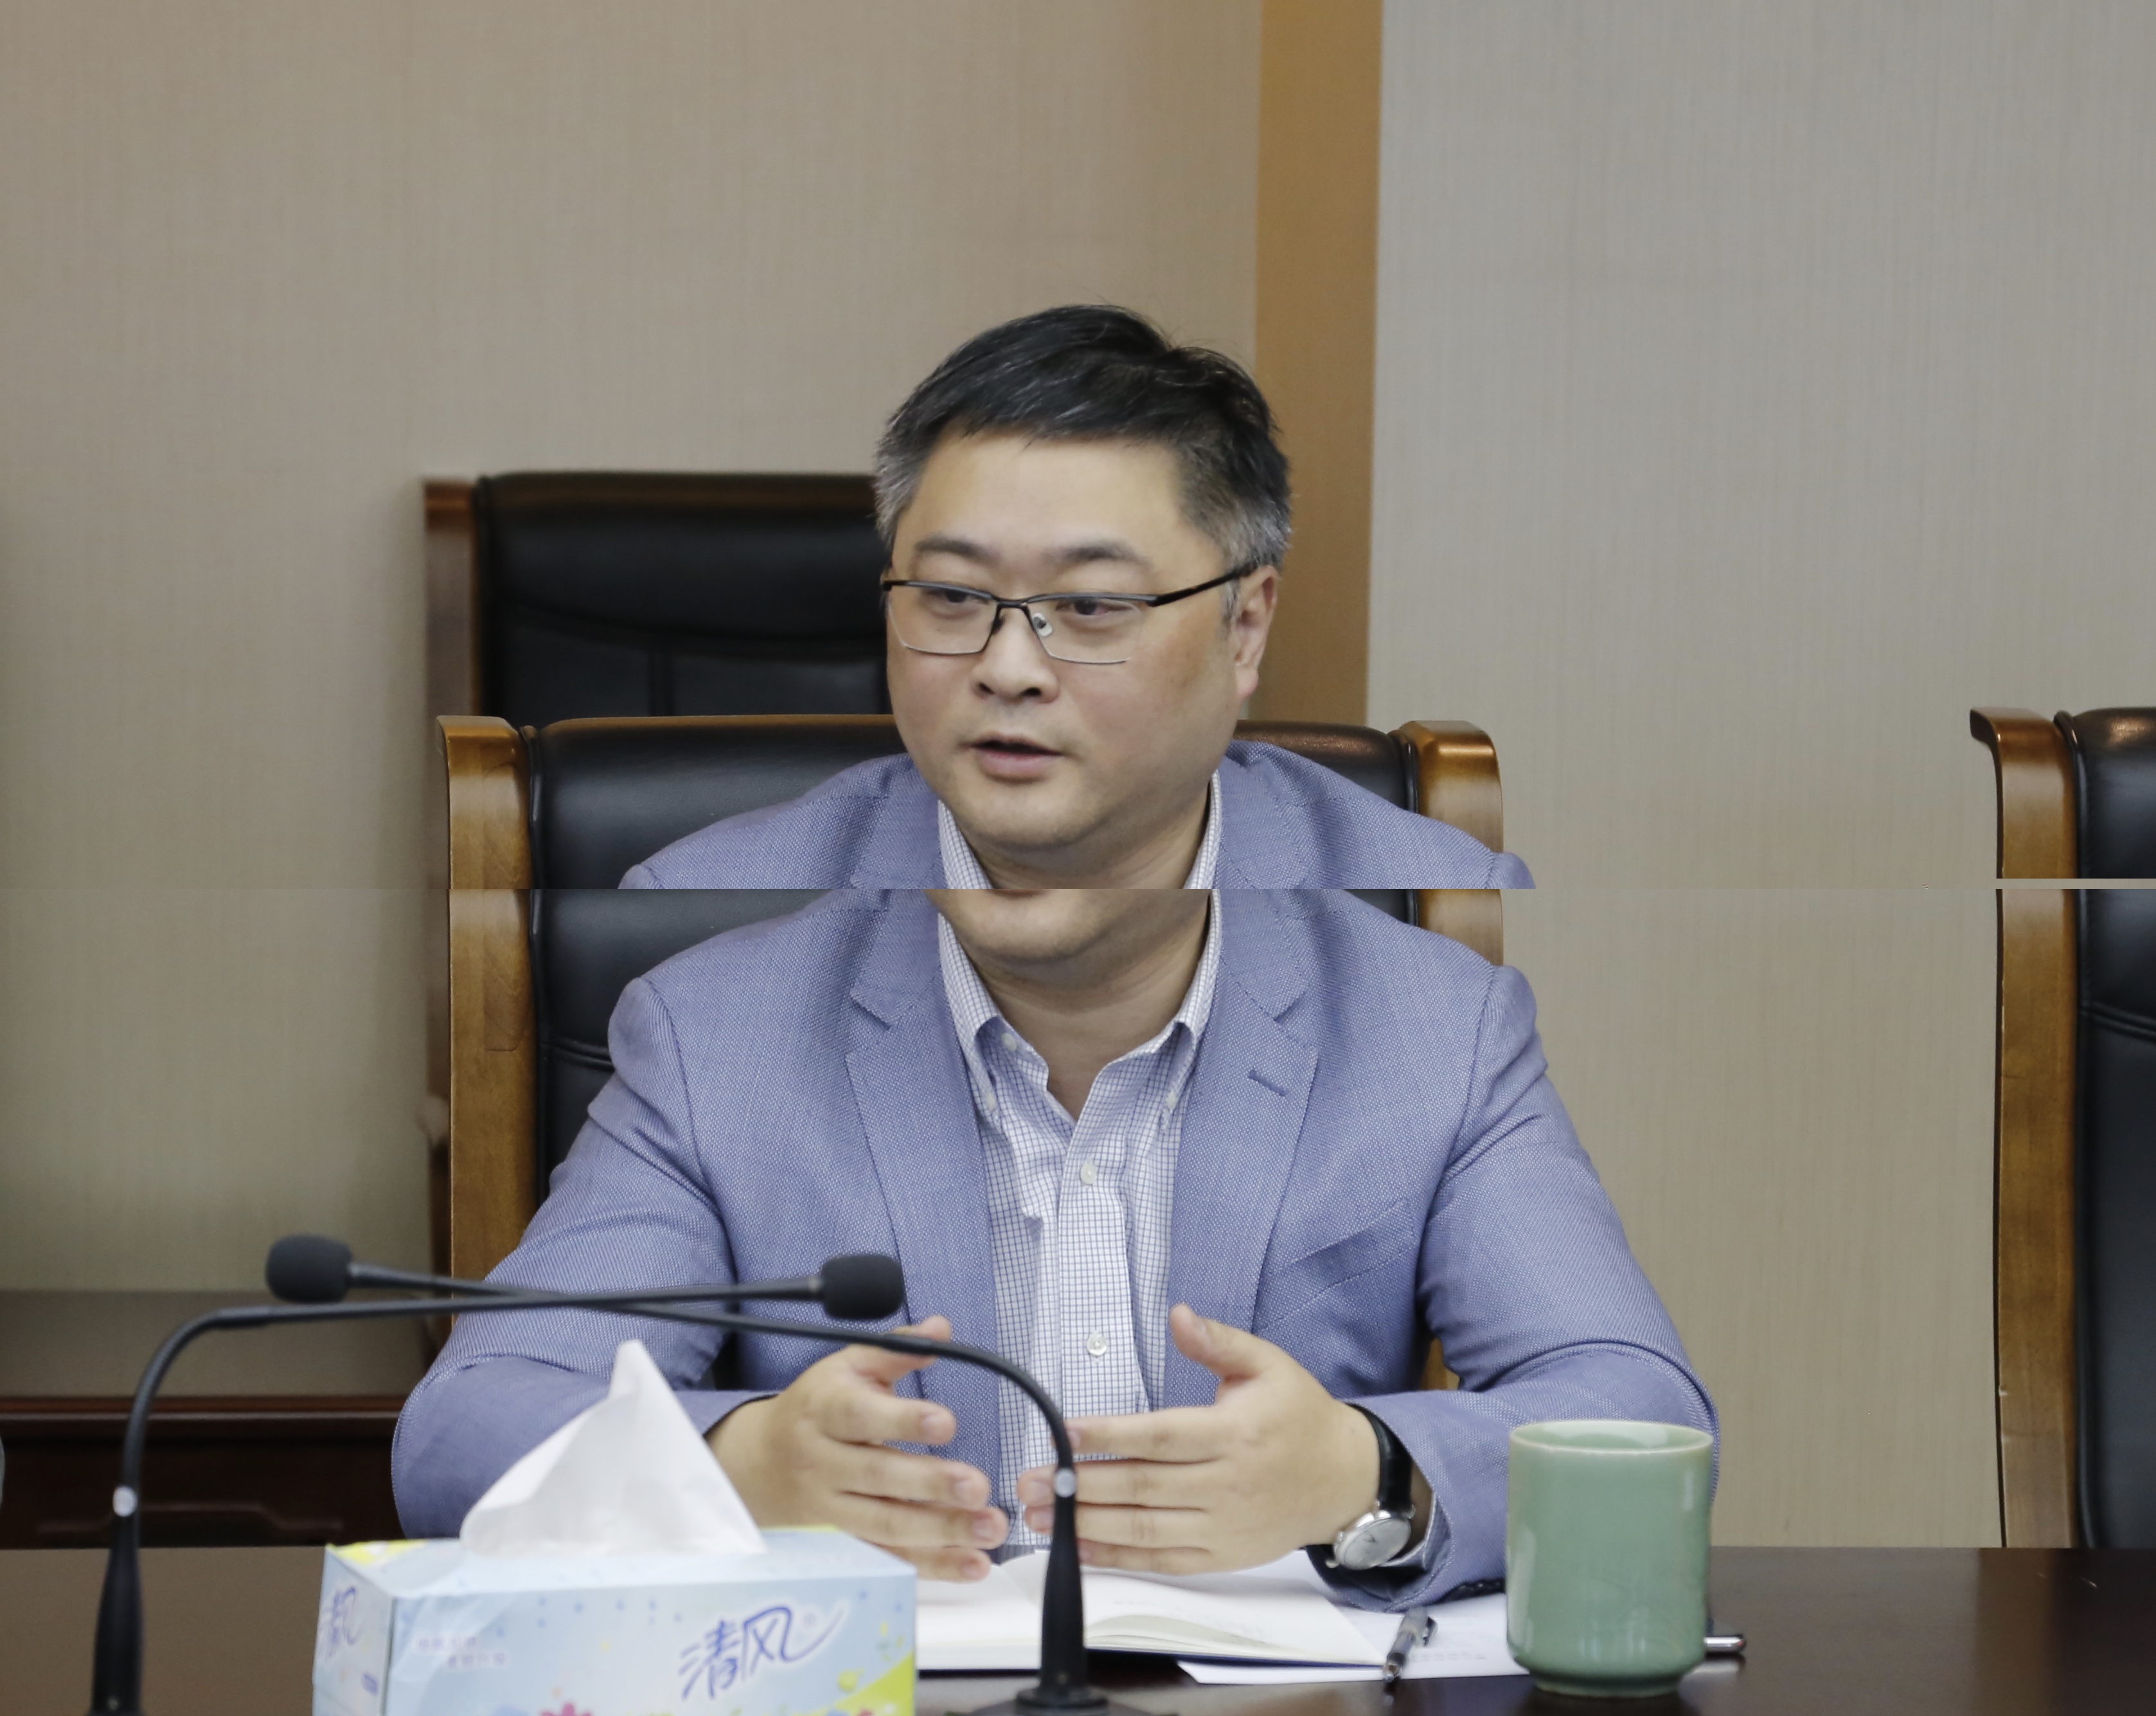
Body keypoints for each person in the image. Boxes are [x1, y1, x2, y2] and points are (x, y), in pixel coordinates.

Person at [392, 306, 1713, 1609]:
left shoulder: (1432, 1027)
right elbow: (467, 1426)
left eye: (1089, 606)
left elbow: (1641, 1420)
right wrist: (737, 1465)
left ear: (1245, 628)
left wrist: (1364, 1471)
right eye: (952, 597)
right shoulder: (719, 1023)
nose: (1008, 666)